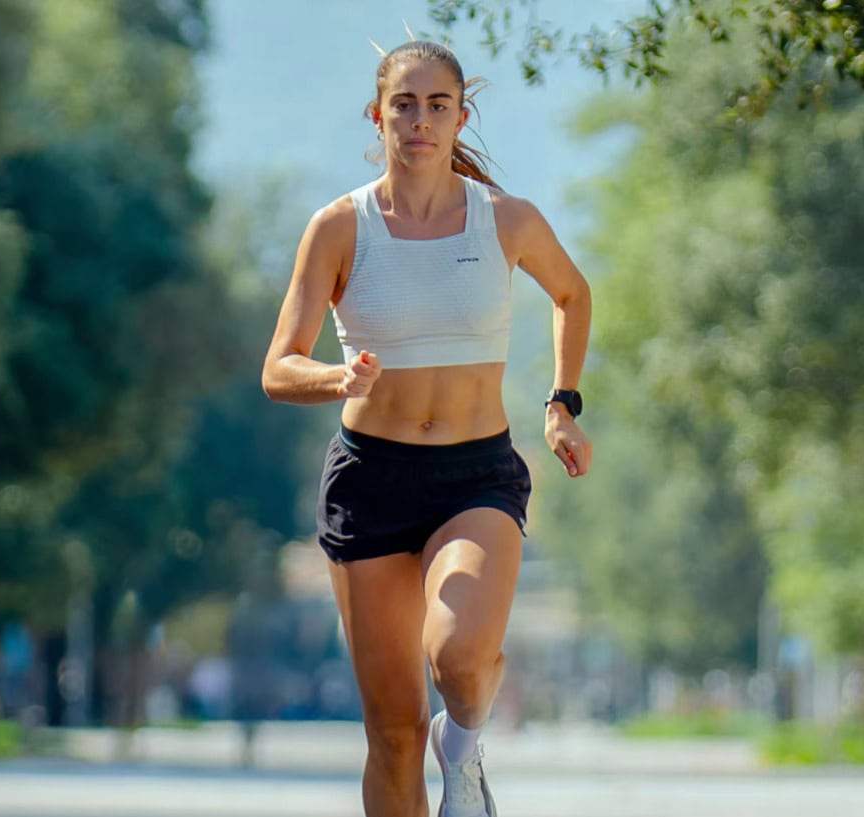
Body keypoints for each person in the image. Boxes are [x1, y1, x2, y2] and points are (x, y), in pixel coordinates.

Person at [261, 39, 592, 817]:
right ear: (378, 116)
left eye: (437, 105)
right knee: (395, 730)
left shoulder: (505, 220)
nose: (419, 119)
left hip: (475, 473)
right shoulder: (338, 228)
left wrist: (560, 402)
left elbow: (572, 295)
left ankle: (467, 747)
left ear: (460, 117)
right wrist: (337, 378)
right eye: (403, 104)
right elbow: (279, 367)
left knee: (462, 657)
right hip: (370, 480)